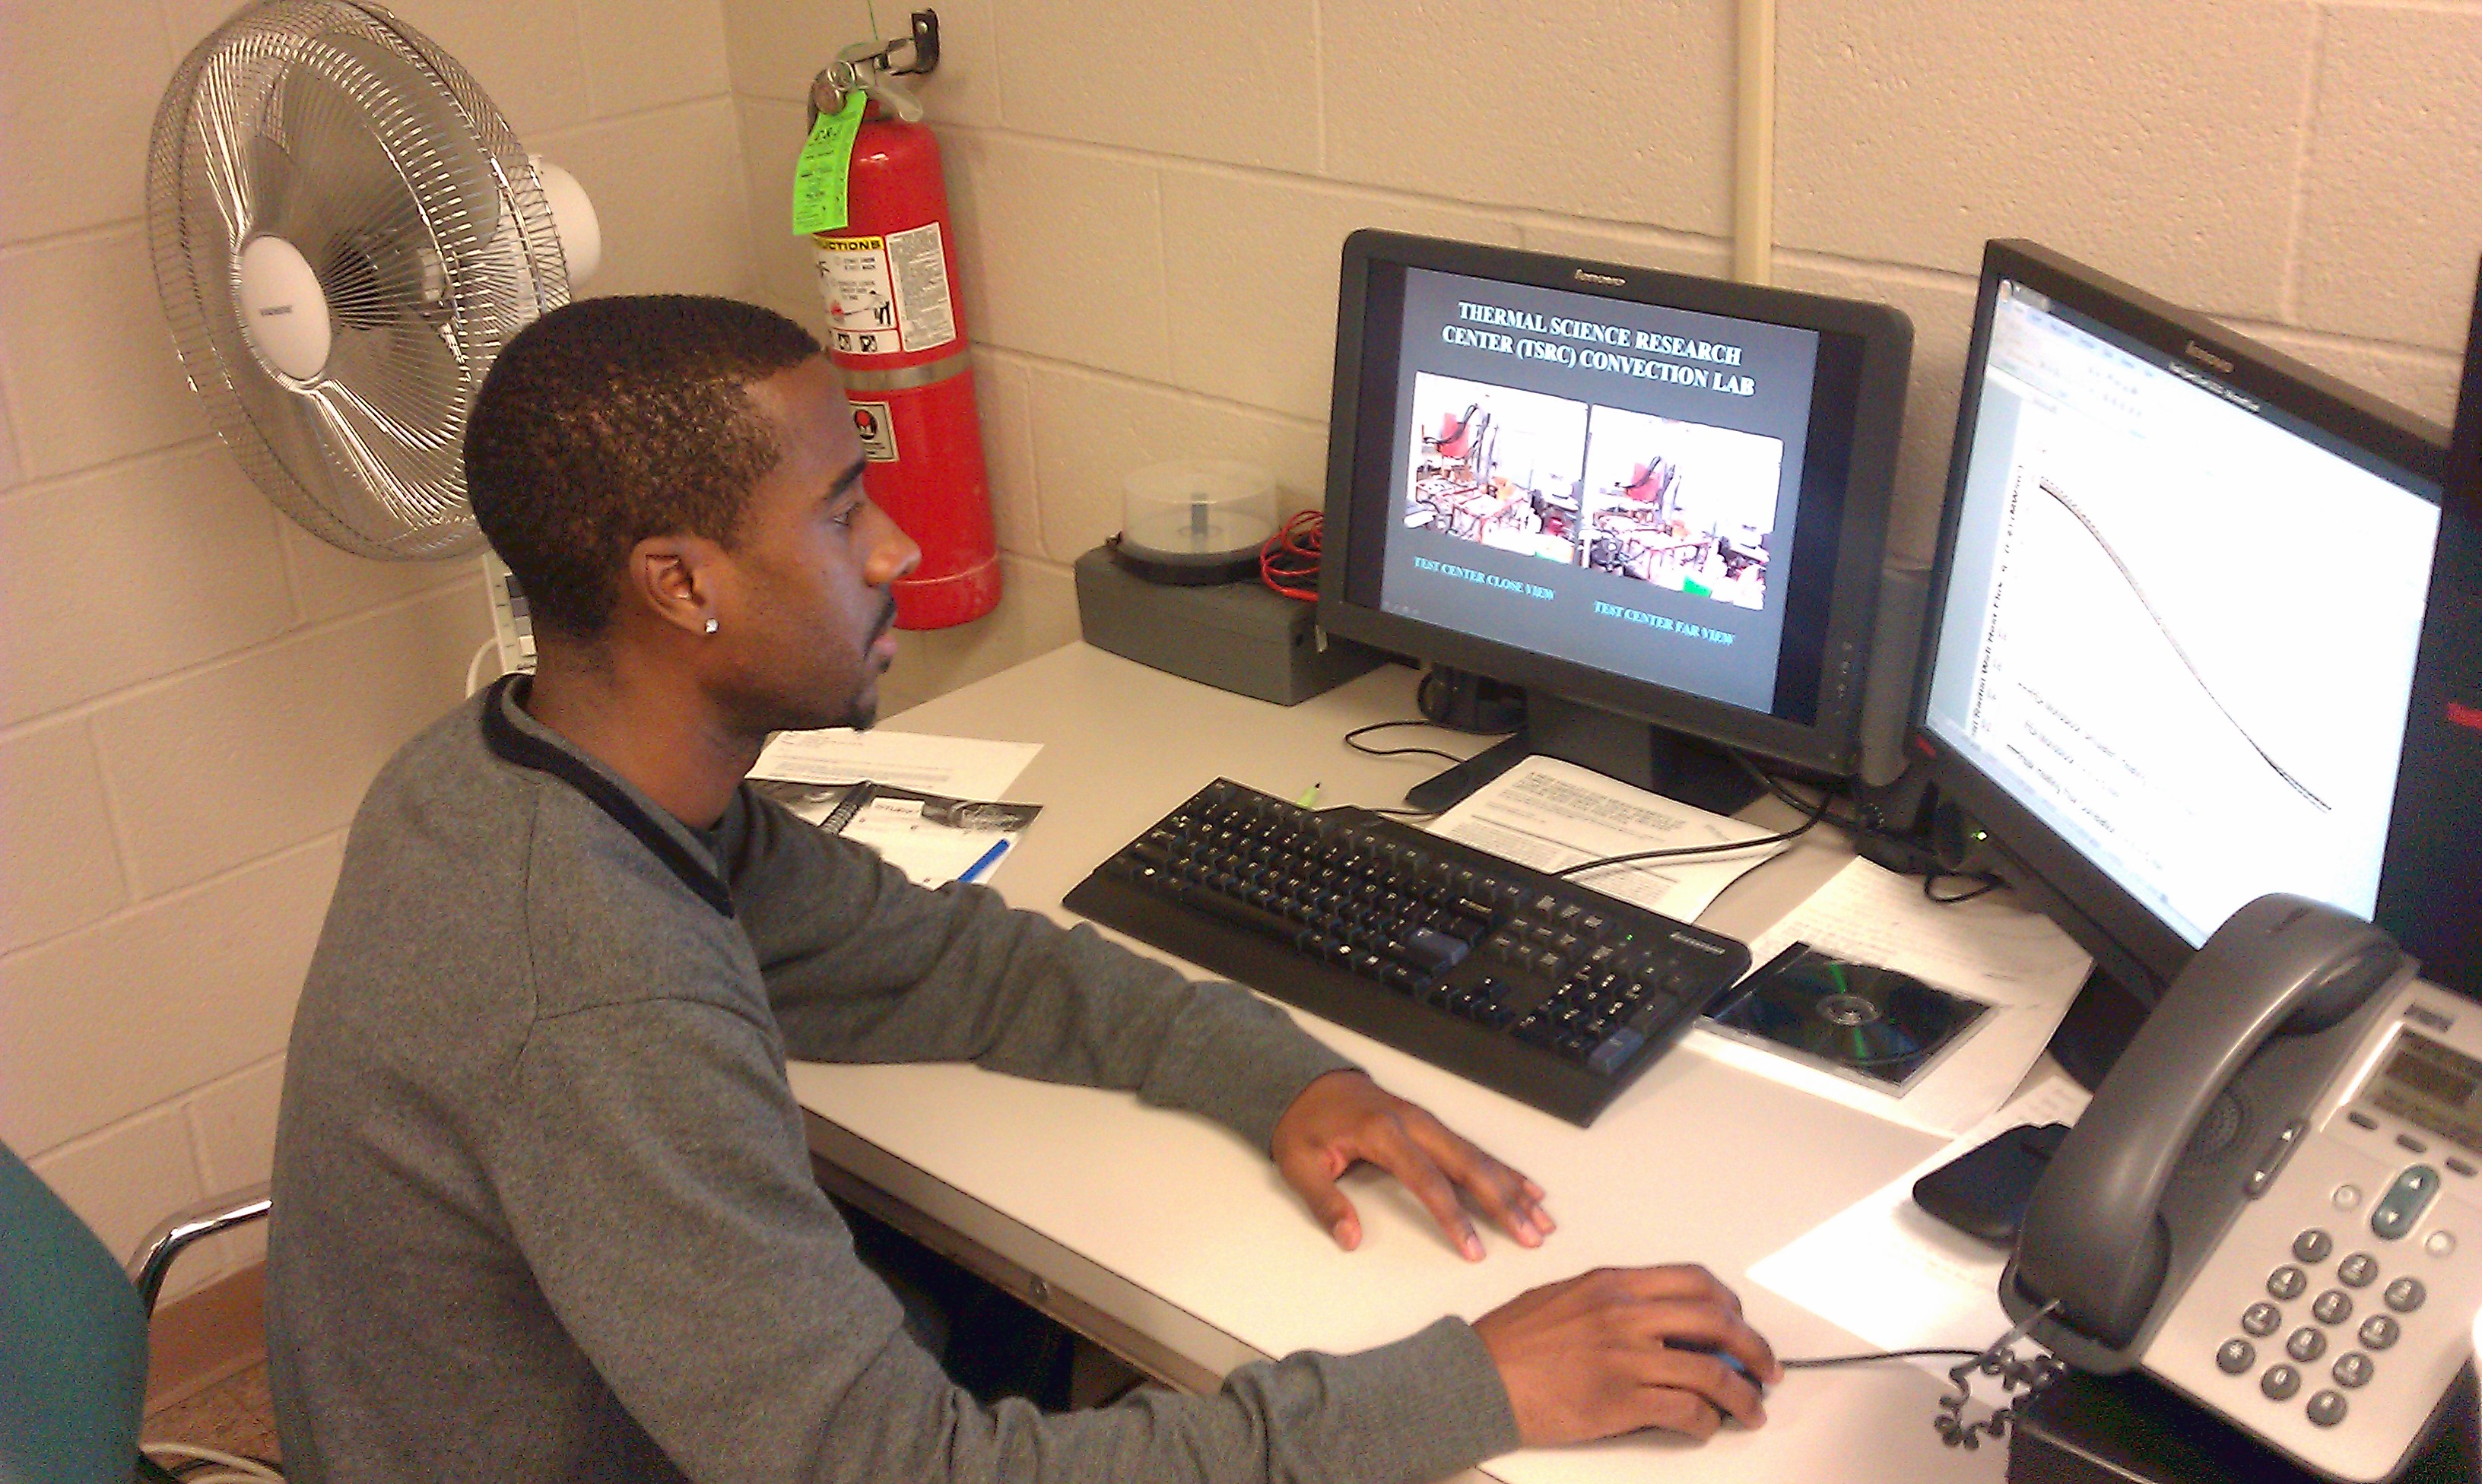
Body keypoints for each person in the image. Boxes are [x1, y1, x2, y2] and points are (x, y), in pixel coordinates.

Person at [265, 294, 1781, 1484]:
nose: (897, 544)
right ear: (682, 584)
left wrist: (1274, 1072)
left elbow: (945, 963)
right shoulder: (591, 991)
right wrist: (1477, 1381)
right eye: (842, 510)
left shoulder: (513, 768)